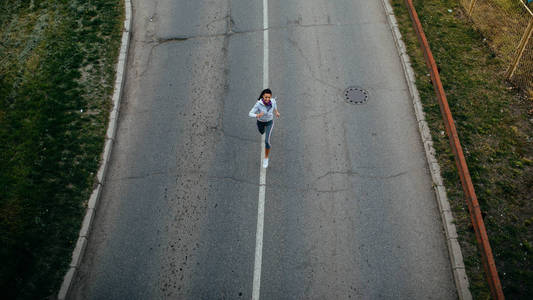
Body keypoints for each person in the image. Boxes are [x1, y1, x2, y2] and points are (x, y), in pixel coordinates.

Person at [248, 88, 280, 168]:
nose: (267, 99)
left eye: (269, 97)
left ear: (271, 97)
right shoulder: (258, 104)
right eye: (266, 97)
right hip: (260, 122)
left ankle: (266, 158)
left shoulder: (273, 101)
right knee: (262, 132)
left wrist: (276, 112)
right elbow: (250, 113)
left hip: (269, 122)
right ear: (263, 96)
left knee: (267, 141)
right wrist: (257, 115)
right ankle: (264, 131)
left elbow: (275, 105)